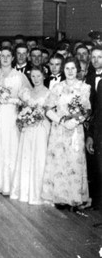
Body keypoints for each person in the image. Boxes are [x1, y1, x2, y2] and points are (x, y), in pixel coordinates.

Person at [42, 58, 91, 208]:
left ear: (78, 70)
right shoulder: (57, 87)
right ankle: (60, 198)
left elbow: (87, 110)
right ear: (63, 70)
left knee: (74, 162)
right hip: (59, 129)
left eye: (73, 68)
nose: (70, 71)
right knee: (60, 161)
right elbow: (47, 109)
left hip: (75, 130)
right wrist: (62, 121)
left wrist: (75, 121)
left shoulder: (84, 87)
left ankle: (74, 198)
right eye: (67, 68)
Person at [0, 47, 31, 195]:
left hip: (10, 114)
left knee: (9, 144)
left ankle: (8, 185)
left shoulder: (20, 77)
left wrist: (11, 100)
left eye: (8, 55)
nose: (5, 58)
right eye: (2, 55)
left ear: (13, 58)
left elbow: (26, 99)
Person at [10, 67, 51, 205]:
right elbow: (21, 109)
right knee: (26, 156)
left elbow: (49, 113)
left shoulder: (49, 93)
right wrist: (24, 117)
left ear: (44, 76)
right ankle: (25, 192)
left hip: (41, 128)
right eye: (33, 76)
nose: (36, 79)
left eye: (38, 76)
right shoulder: (26, 93)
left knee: (39, 157)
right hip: (27, 129)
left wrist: (37, 116)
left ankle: (38, 193)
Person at [86, 47, 102, 207]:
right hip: (96, 126)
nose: (96, 60)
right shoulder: (89, 78)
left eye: (100, 57)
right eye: (94, 57)